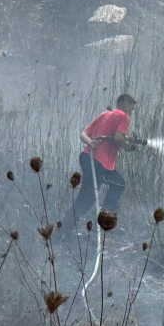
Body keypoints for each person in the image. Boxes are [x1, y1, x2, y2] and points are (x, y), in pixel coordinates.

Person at [65, 94, 137, 229]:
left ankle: (67, 227)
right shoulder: (124, 116)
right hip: (99, 162)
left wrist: (91, 142)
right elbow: (118, 138)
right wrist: (127, 146)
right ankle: (105, 214)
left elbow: (83, 134)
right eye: (131, 109)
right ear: (126, 105)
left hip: (88, 157)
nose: (131, 112)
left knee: (115, 184)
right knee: (90, 197)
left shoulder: (106, 115)